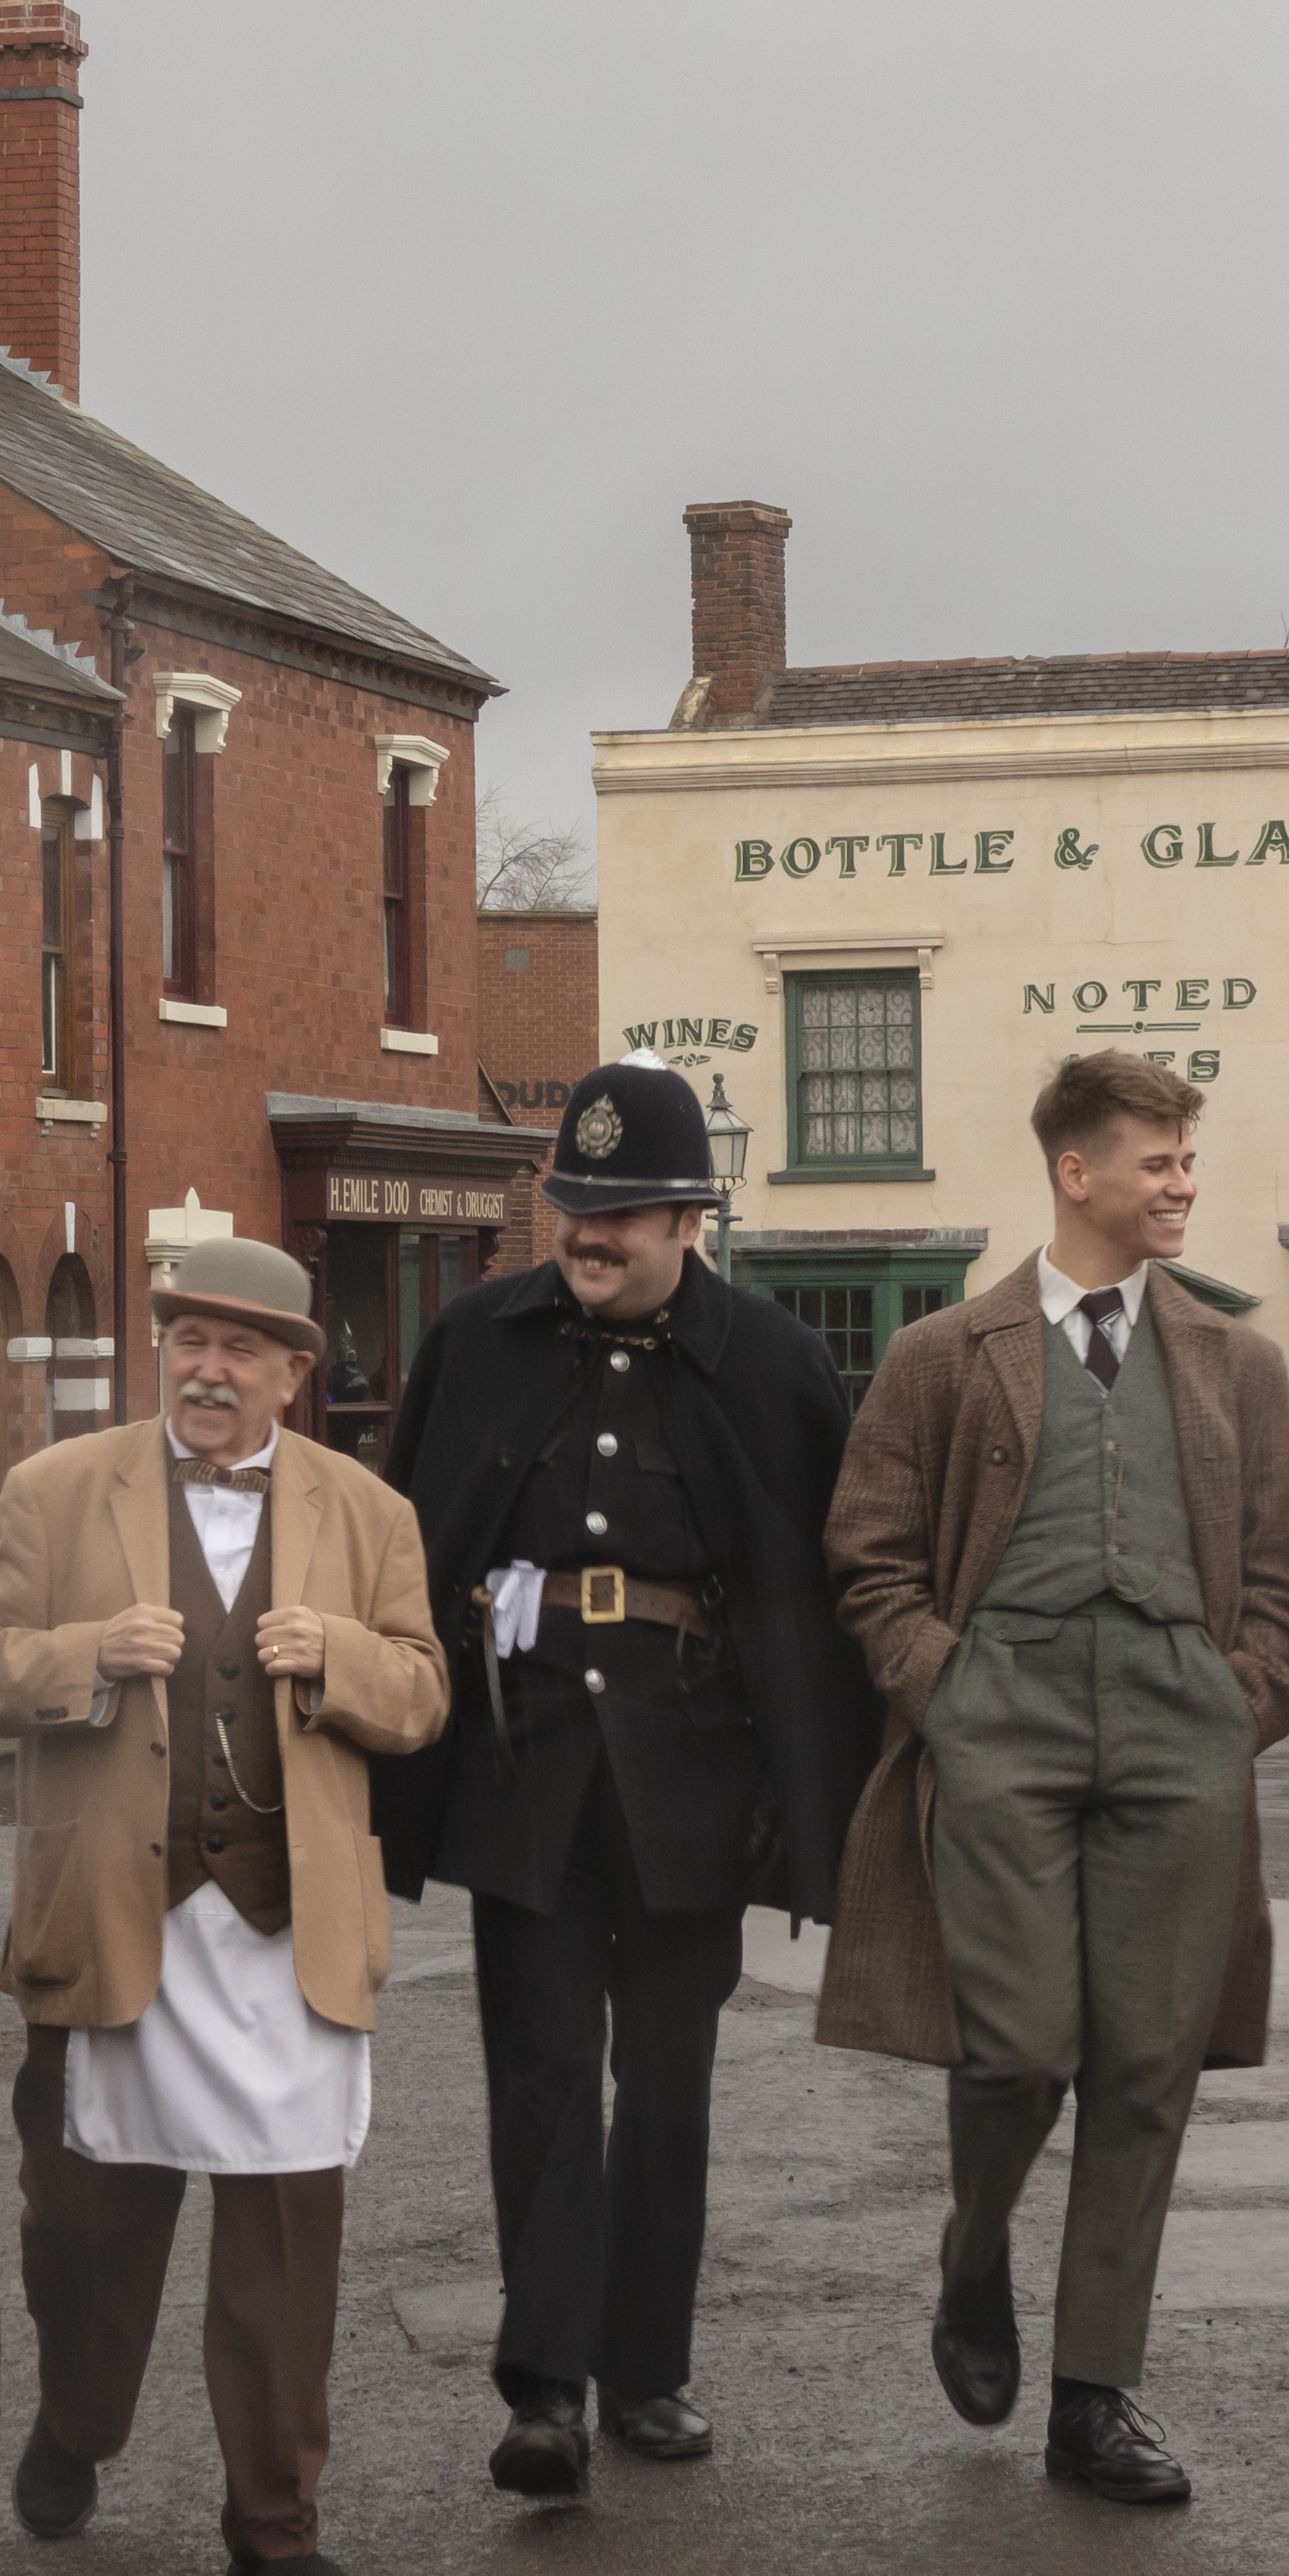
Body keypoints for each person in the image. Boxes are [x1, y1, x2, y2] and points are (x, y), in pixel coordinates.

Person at [820, 1053, 1289, 2512]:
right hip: (1006, 1718)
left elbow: (1280, 1576)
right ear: (1074, 1172)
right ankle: (975, 2255)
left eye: (1186, 1161)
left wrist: (1241, 1707)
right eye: (1156, 1162)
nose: (1182, 1185)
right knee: (1021, 2045)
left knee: (1150, 2063)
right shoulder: (943, 1353)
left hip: (1181, 1723)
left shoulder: (1242, 1359)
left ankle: (1095, 2395)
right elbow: (869, 1551)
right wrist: (950, 1690)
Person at [376, 1057, 879, 2496]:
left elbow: (819, 1592)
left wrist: (809, 1791)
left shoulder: (773, 1362)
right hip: (523, 1761)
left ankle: (646, 2370)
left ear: (688, 1219)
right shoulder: (478, 1339)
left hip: (694, 1776)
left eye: (619, 1217)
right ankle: (544, 2387)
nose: (585, 1238)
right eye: (570, 1209)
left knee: (666, 2084)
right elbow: (410, 1543)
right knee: (538, 2072)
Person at [0, 1235, 450, 2576]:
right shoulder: (57, 1491)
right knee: (83, 2236)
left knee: (287, 2244)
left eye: (240, 1349)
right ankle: (79, 2424)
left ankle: (275, 2524)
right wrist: (84, 1658)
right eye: (187, 1340)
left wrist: (337, 1659)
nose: (207, 1369)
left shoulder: (367, 1511)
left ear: (296, 1372)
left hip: (290, 1934)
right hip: (117, 1921)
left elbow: (422, 1692)